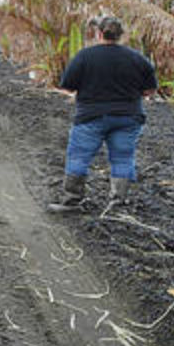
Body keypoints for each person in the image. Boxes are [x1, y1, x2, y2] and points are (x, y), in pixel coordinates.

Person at [48, 15, 157, 212]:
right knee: (123, 159)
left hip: (91, 117)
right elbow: (149, 90)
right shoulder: (137, 58)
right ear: (121, 36)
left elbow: (68, 87)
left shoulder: (84, 56)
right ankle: (118, 203)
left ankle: (72, 201)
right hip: (128, 118)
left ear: (99, 33)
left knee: (79, 157)